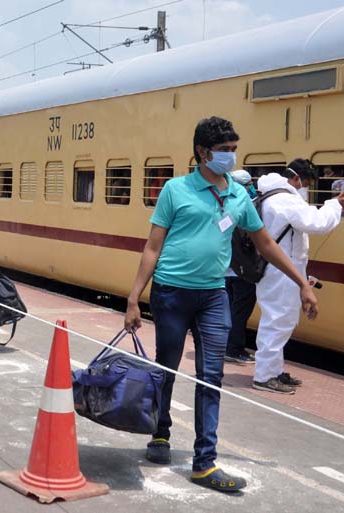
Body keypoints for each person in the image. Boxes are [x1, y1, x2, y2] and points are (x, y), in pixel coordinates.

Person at [123, 117, 318, 493]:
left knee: (211, 376)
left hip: (214, 295)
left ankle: (204, 462)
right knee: (167, 366)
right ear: (202, 151)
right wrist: (134, 297)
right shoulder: (175, 190)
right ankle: (160, 432)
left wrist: (301, 283)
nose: (231, 156)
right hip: (172, 293)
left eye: (233, 149)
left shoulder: (238, 196)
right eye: (224, 150)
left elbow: (265, 244)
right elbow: (152, 246)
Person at [253, 160, 344, 394]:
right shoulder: (285, 199)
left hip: (277, 269)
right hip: (281, 270)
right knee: (277, 321)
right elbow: (317, 223)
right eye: (306, 183)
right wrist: (333, 205)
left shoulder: (270, 196)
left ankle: (273, 370)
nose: (305, 188)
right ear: (296, 179)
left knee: (280, 320)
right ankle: (264, 376)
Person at [223, 169, 258, 364]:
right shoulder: (245, 207)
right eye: (249, 184)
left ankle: (227, 346)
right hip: (241, 271)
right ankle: (234, 349)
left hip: (226, 269)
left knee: (229, 310)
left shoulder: (224, 206)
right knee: (240, 312)